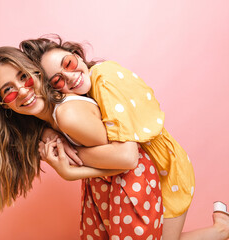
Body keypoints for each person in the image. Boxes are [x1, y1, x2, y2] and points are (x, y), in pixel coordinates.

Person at [20, 35, 229, 240]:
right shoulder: (78, 97)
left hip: (164, 169)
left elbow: (127, 156)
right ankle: (222, 229)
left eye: (69, 63)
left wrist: (71, 159)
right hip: (141, 175)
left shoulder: (104, 77)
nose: (70, 76)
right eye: (57, 80)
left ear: (78, 55)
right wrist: (50, 133)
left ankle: (221, 230)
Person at [0, 46, 164, 239]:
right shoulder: (49, 120)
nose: (22, 91)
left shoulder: (67, 115)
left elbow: (126, 160)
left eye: (24, 77)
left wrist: (69, 170)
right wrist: (46, 135)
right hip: (104, 190)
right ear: (4, 105)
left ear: (37, 72)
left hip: (128, 188)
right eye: (8, 90)